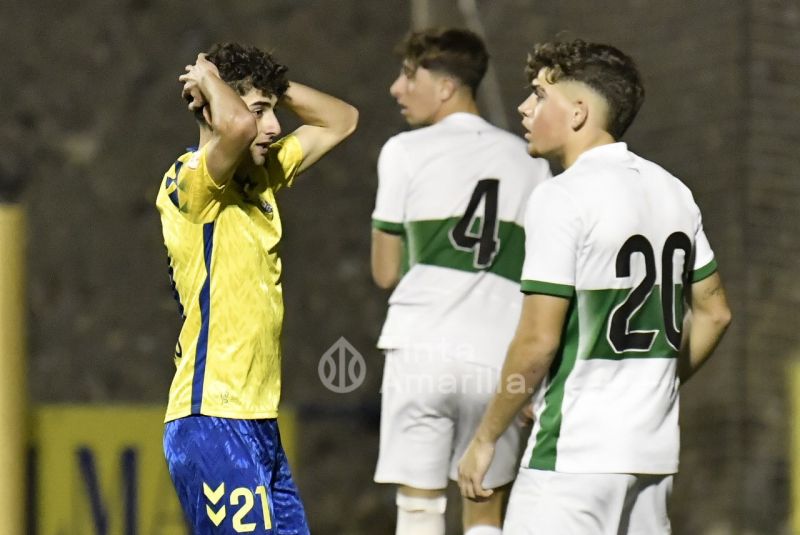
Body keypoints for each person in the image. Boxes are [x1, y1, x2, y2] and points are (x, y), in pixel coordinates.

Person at [457, 39, 732, 534]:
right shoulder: (673, 190)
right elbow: (715, 313)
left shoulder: (561, 196)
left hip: (575, 454)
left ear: (578, 112)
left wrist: (486, 437)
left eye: (539, 94)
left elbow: (537, 342)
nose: (524, 106)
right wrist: (650, 386)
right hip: (651, 456)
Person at [157, 42, 357, 534]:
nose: (273, 126)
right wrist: (209, 80)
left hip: (258, 420)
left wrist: (272, 86)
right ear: (213, 107)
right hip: (211, 418)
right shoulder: (190, 182)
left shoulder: (260, 175)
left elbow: (343, 119)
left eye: (273, 112)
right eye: (260, 111)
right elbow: (238, 127)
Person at [371, 28, 552, 535]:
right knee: (484, 506)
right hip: (498, 357)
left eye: (409, 75)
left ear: (446, 86)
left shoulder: (404, 150)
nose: (396, 88)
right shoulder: (532, 162)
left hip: (420, 346)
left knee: (419, 507)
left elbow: (385, 271)